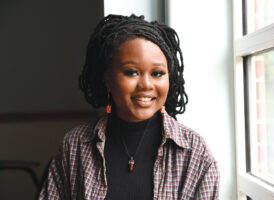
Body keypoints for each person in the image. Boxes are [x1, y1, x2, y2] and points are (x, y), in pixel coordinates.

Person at [38, 14, 219, 200]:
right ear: (108, 79)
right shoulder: (75, 146)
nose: (146, 85)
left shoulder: (196, 155)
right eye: (131, 72)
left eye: (157, 73)